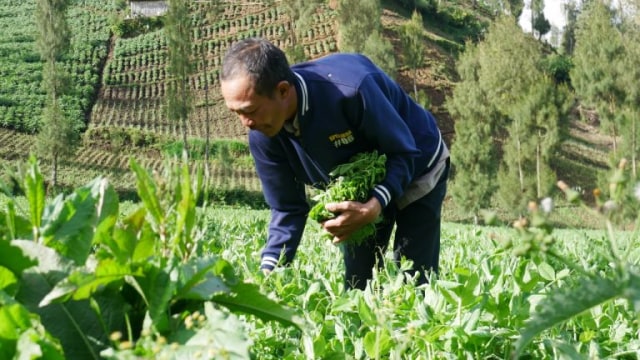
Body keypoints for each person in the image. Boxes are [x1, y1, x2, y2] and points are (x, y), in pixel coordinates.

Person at [220, 38, 449, 290]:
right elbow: (287, 208)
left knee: (414, 276)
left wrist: (375, 205)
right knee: (358, 283)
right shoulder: (263, 132)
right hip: (361, 185)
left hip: (417, 161)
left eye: (249, 111)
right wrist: (268, 274)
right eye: (236, 113)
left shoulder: (350, 90)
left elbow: (404, 153)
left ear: (283, 91)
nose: (245, 123)